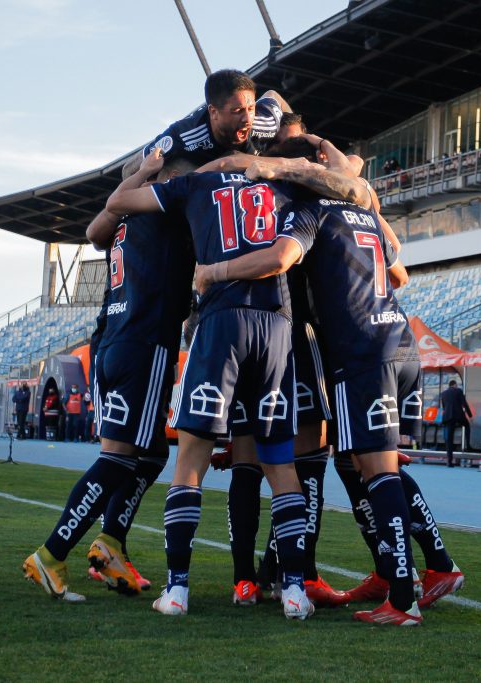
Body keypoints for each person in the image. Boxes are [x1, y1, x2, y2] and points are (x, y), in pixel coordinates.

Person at [194, 148, 466, 625]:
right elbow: (398, 271)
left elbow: (280, 258)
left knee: (371, 472)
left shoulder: (310, 210)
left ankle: (403, 597)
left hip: (358, 353)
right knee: (364, 465)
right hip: (400, 340)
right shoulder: (363, 210)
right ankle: (414, 572)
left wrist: (214, 272)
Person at [105, 145, 359, 620]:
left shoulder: (197, 183)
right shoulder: (293, 191)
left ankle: (177, 590)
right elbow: (350, 191)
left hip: (220, 320)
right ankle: (294, 592)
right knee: (281, 465)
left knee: (192, 458)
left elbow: (118, 205)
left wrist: (148, 171)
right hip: (276, 326)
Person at [23, 150, 195, 602]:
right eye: (182, 177)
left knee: (152, 451)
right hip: (146, 341)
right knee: (119, 458)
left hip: (113, 340)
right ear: (160, 180)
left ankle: (111, 542)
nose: (188, 183)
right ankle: (52, 553)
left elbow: (93, 231)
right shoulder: (165, 212)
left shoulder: (120, 223)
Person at [121, 68, 289, 178]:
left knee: (291, 136)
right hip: (198, 179)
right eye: (237, 111)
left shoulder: (264, 121)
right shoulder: (185, 135)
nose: (247, 118)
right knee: (171, 170)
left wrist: (301, 134)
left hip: (248, 176)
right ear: (213, 112)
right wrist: (147, 175)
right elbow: (128, 170)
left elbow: (273, 95)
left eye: (251, 108)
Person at [440, 379, 472, 467]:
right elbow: (464, 404)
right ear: (455, 385)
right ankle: (468, 445)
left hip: (447, 417)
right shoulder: (459, 391)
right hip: (458, 416)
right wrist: (470, 415)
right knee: (467, 426)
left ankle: (449, 461)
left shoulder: (444, 393)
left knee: (449, 439)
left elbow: (444, 407)